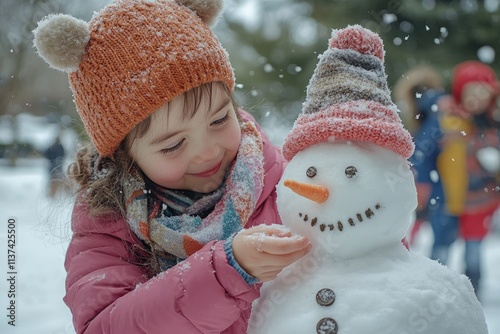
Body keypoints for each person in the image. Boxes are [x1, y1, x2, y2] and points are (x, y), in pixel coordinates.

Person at [33, 1, 311, 333]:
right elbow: (104, 325)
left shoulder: (295, 183)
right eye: (173, 145)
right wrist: (227, 271)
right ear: (126, 155)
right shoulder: (108, 226)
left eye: (220, 119)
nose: (207, 152)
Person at [435, 60, 500, 295]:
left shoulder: (493, 122)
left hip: (482, 199)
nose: (478, 98)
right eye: (473, 91)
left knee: (474, 249)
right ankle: (436, 291)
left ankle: (473, 291)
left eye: (484, 92)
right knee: (442, 247)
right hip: (449, 196)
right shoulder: (448, 119)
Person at [393, 65, 447, 246]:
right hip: (436, 177)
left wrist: (421, 179)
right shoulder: (435, 110)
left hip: (433, 178)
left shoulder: (431, 109)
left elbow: (424, 149)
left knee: (437, 229)